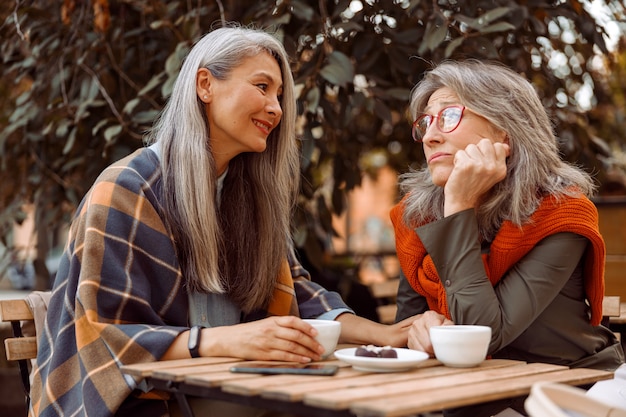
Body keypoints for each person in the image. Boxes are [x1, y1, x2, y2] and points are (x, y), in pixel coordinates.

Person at [29, 25, 415, 417]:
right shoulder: (127, 189)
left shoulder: (249, 198)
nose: (276, 108)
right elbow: (108, 336)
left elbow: (296, 293)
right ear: (205, 85)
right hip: (139, 401)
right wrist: (224, 341)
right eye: (262, 86)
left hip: (225, 389)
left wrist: (387, 335)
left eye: (279, 95)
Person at [390, 59, 625, 417]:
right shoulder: (416, 215)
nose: (430, 136)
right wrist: (419, 329)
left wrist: (458, 207)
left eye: (449, 115)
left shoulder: (561, 212)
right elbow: (407, 331)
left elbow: (482, 333)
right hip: (467, 396)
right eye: (426, 122)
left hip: (568, 394)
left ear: (505, 132)